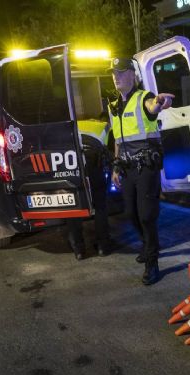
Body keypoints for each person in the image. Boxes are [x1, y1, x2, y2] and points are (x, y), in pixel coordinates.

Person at [108, 58, 174, 285]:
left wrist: (160, 101)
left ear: (132, 75)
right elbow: (117, 138)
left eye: (121, 72)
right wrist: (115, 165)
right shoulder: (113, 106)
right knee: (130, 214)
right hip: (126, 169)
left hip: (146, 167)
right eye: (113, 73)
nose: (115, 76)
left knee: (147, 216)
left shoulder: (143, 97)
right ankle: (147, 245)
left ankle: (152, 262)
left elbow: (153, 106)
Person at [66, 119, 112, 260]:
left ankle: (79, 249)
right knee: (100, 207)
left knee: (73, 207)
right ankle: (102, 247)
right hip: (94, 167)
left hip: (73, 167)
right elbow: (108, 151)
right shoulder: (104, 125)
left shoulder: (67, 125)